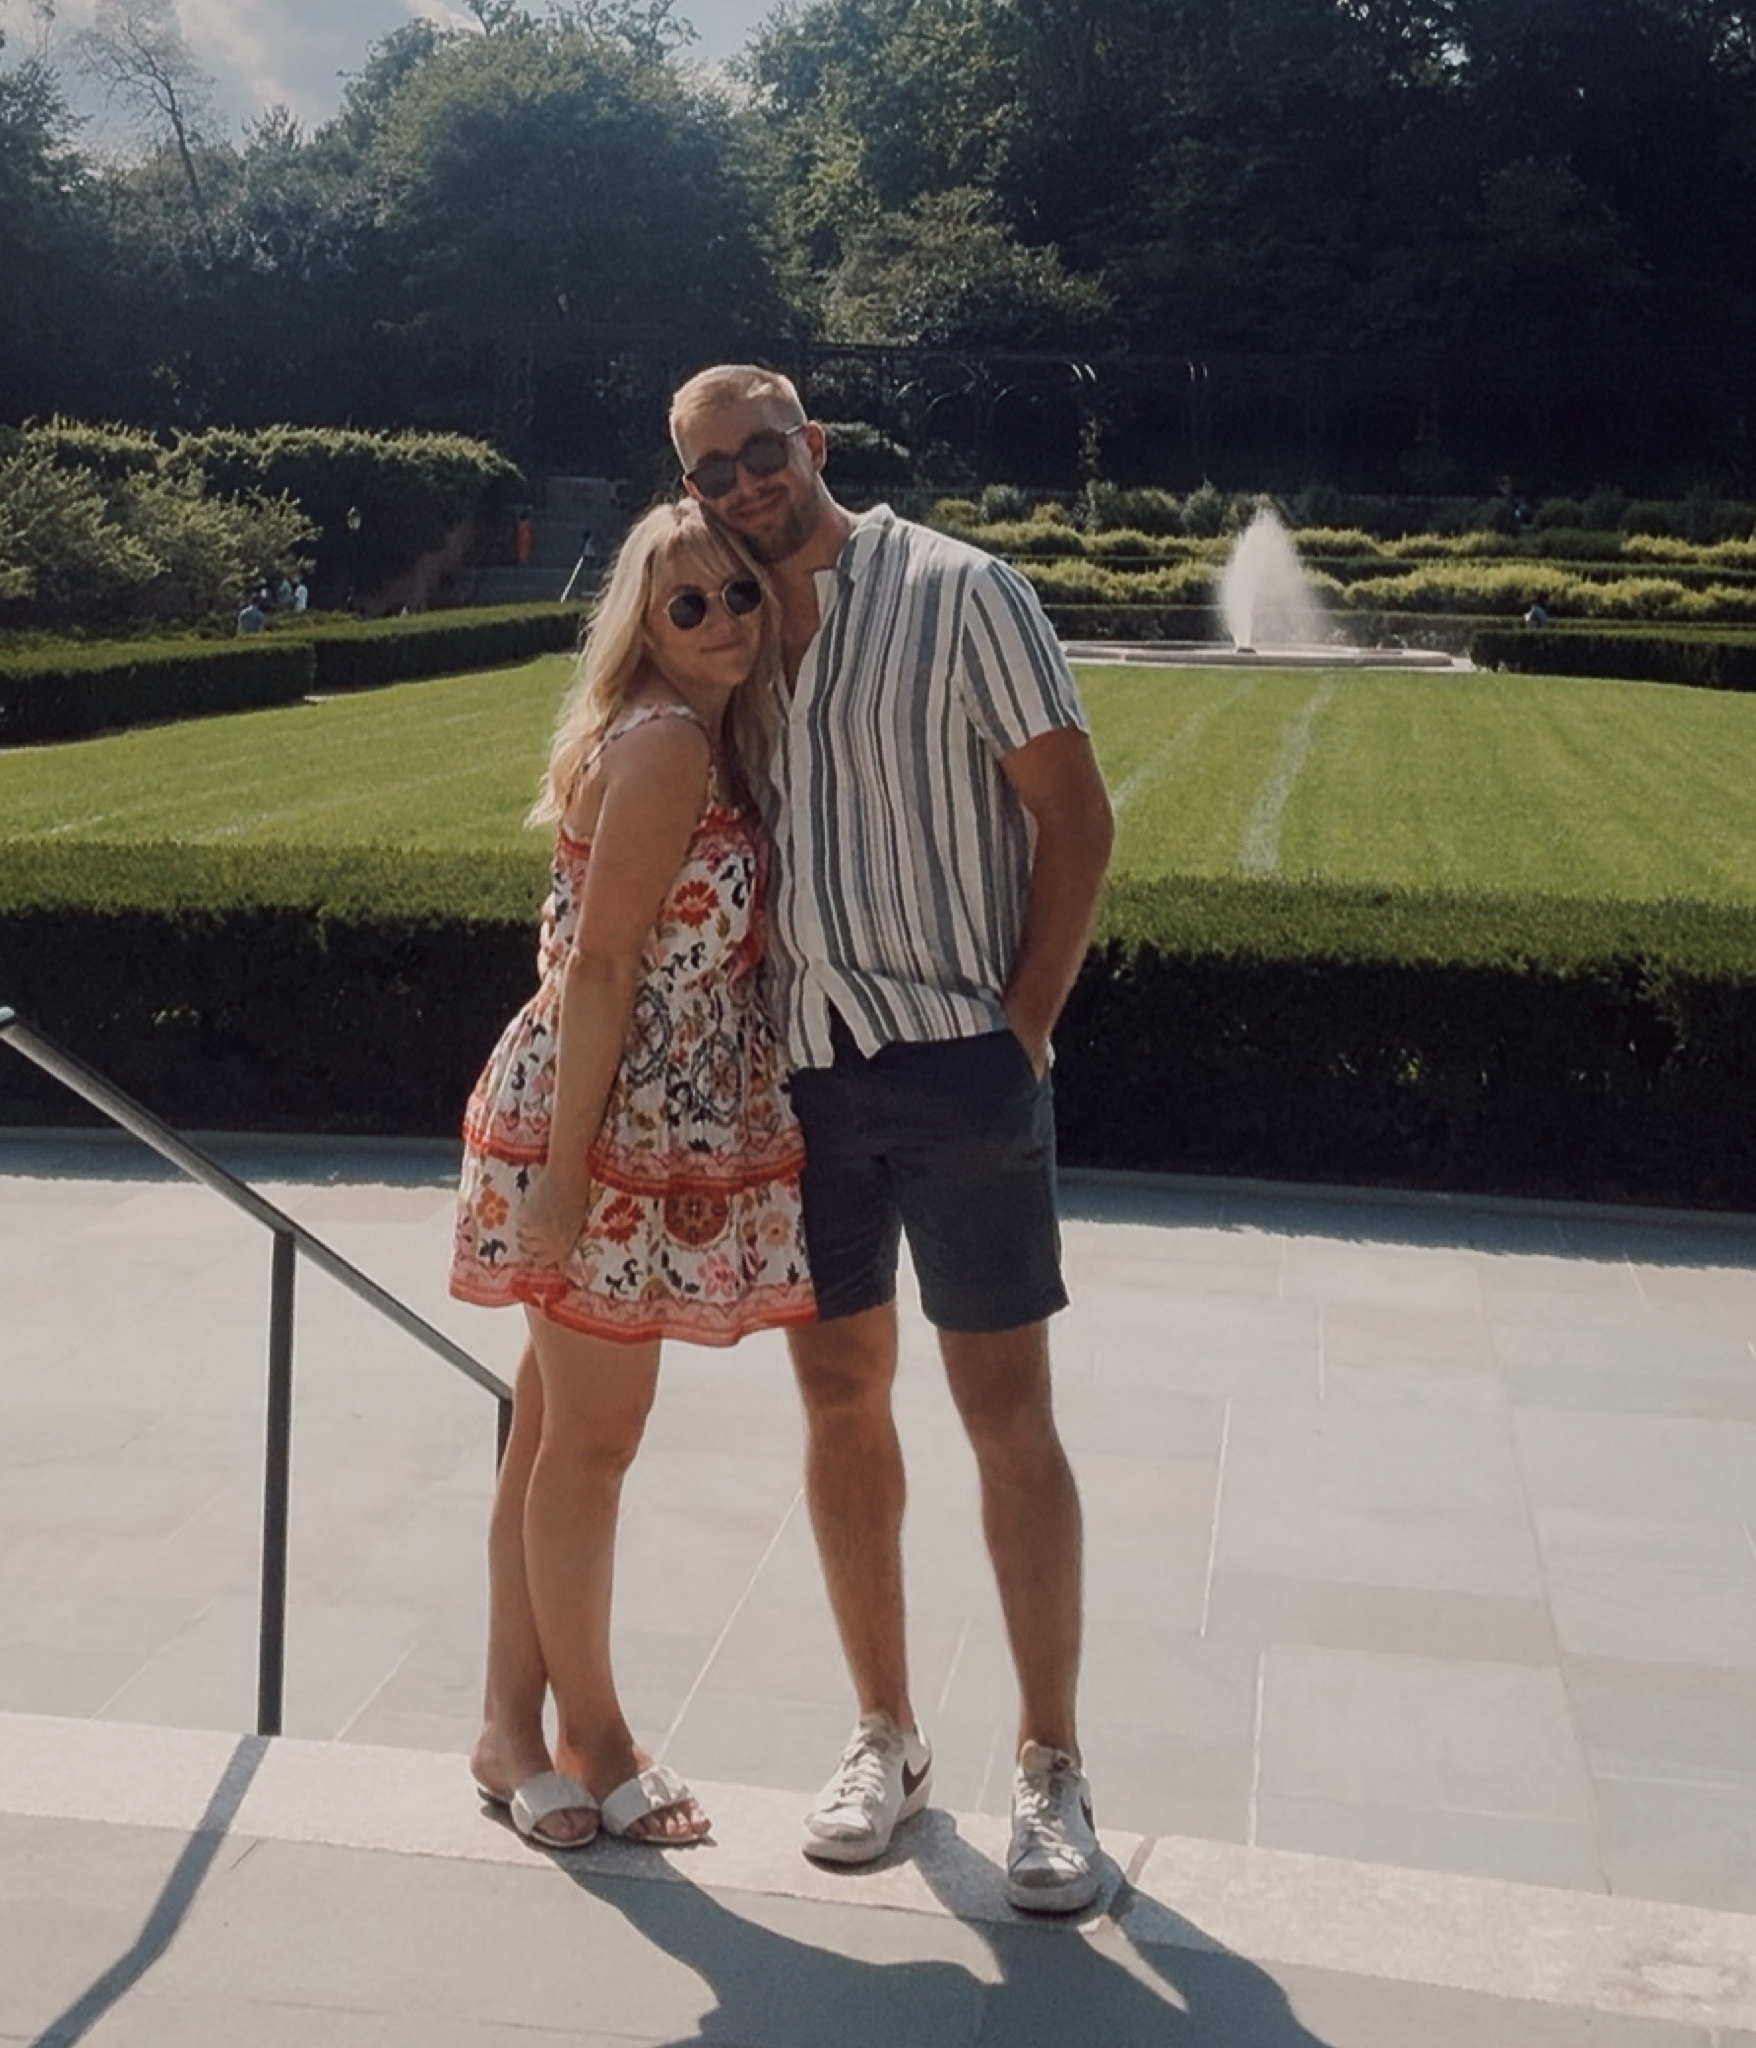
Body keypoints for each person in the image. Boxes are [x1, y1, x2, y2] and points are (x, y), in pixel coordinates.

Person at [670, 365, 1116, 1913]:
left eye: (761, 452)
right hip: (805, 1076)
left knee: (1006, 1414)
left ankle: (1049, 1763)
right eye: (710, 468)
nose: (741, 484)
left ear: (816, 447)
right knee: (839, 1400)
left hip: (954, 1060)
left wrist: (1023, 1029)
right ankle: (885, 1734)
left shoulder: (959, 590)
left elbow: (1076, 815)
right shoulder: (720, 628)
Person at [449, 497, 815, 1849]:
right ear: (644, 629)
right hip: (600, 1135)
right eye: (687, 605)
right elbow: (601, 967)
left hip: (616, 1122)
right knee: (590, 1446)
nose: (722, 620)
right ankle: (593, 1736)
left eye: (738, 595)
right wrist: (560, 1178)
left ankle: (503, 1727)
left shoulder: (702, 736)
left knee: (550, 1434)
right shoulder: (665, 745)